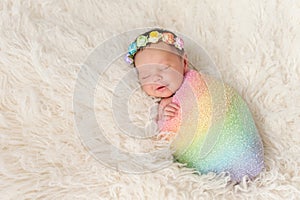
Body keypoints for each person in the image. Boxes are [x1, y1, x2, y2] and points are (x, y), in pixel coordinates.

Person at [124, 28, 264, 182]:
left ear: (184, 63)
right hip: (209, 164)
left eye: (164, 68)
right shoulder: (160, 105)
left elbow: (224, 101)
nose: (156, 78)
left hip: (238, 144)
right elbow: (164, 135)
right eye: (146, 75)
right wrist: (165, 117)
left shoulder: (201, 83)